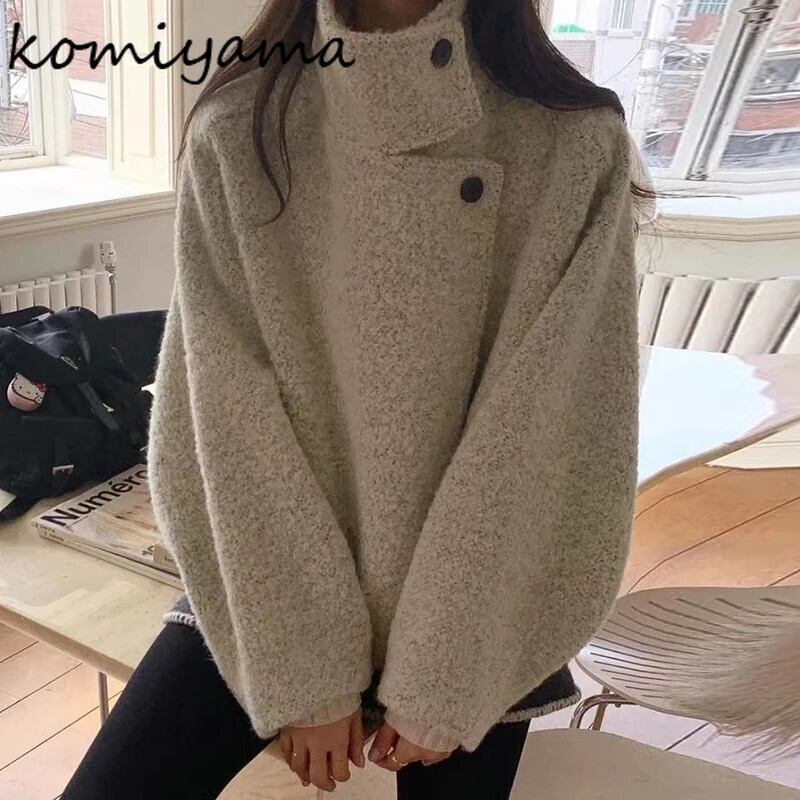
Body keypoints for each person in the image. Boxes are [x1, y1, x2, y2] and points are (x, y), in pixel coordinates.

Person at [62, 0, 649, 797]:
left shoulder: (573, 143)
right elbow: (221, 415)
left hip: (475, 608)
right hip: (273, 583)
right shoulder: (240, 129)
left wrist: (445, 674)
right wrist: (304, 667)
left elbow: (547, 431)